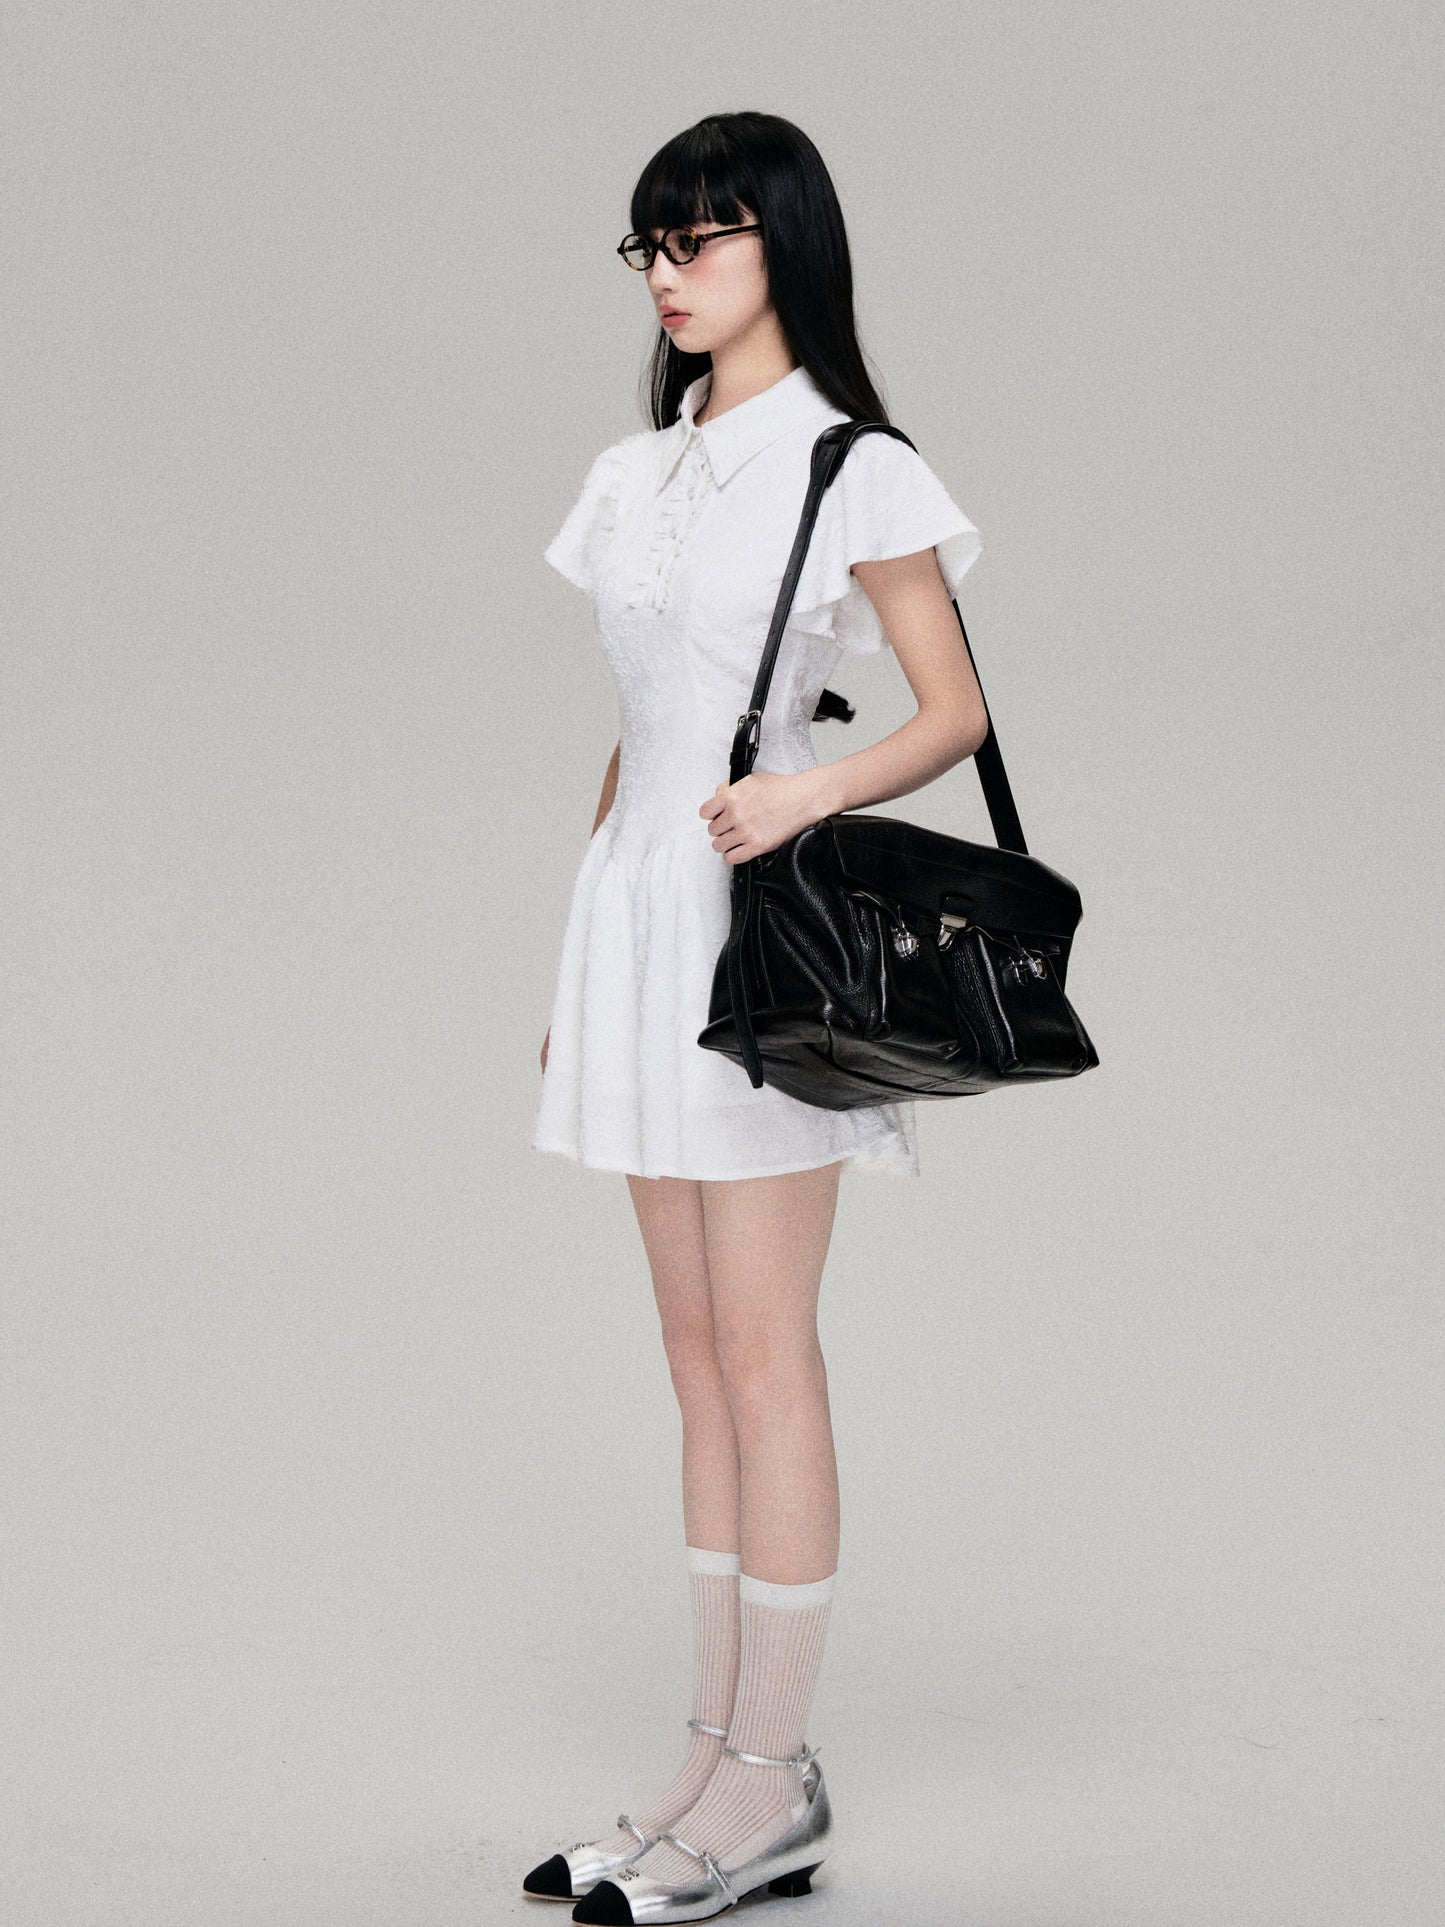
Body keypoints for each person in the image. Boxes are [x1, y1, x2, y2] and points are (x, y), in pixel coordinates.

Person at [524, 111, 989, 1923]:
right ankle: (706, 1768)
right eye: (649, 243)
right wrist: (577, 973)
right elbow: (641, 729)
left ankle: (772, 1779)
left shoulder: (850, 464)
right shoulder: (632, 472)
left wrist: (806, 793)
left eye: (701, 237)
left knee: (766, 1350)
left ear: (780, 245)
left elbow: (948, 711)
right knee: (690, 1357)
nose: (669, 271)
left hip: (763, 940)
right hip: (635, 917)